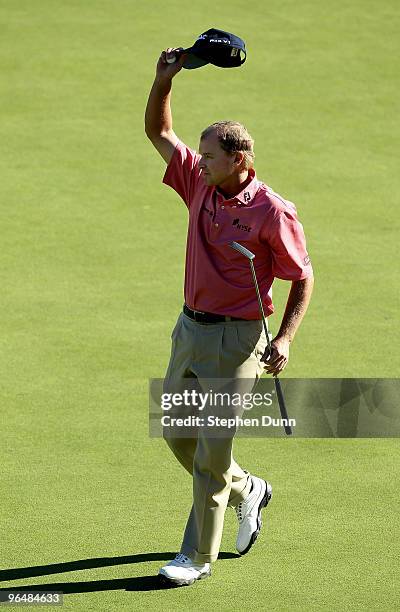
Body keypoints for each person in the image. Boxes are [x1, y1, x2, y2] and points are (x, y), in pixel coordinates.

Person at [145, 47, 314, 587]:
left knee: (210, 457)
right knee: (177, 433)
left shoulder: (272, 211)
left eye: (210, 156)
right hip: (189, 331)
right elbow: (158, 132)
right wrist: (163, 80)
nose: (199, 161)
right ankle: (249, 489)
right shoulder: (200, 183)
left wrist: (285, 339)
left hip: (239, 343)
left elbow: (302, 276)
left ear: (239, 159)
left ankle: (196, 557)